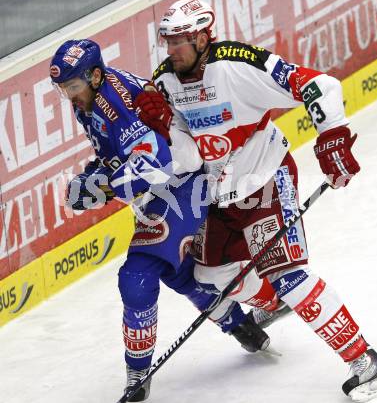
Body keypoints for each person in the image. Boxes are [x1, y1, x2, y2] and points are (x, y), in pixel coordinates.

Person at [135, 0, 377, 402]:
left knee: (289, 274)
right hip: (221, 197)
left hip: (267, 180)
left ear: (205, 37)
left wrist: (332, 136)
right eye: (167, 41)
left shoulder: (238, 65)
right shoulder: (166, 81)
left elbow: (320, 85)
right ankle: (276, 302)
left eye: (182, 42)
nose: (173, 51)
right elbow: (189, 158)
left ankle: (365, 361)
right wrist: (165, 124)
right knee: (212, 278)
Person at [49, 39, 276, 402]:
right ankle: (244, 322)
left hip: (184, 181)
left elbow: (155, 162)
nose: (69, 96)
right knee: (176, 270)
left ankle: (137, 375)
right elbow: (114, 159)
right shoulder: (87, 100)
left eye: (72, 87)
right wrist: (93, 177)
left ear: (94, 75)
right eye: (63, 90)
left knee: (137, 275)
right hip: (168, 186)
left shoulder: (117, 101)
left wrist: (102, 188)